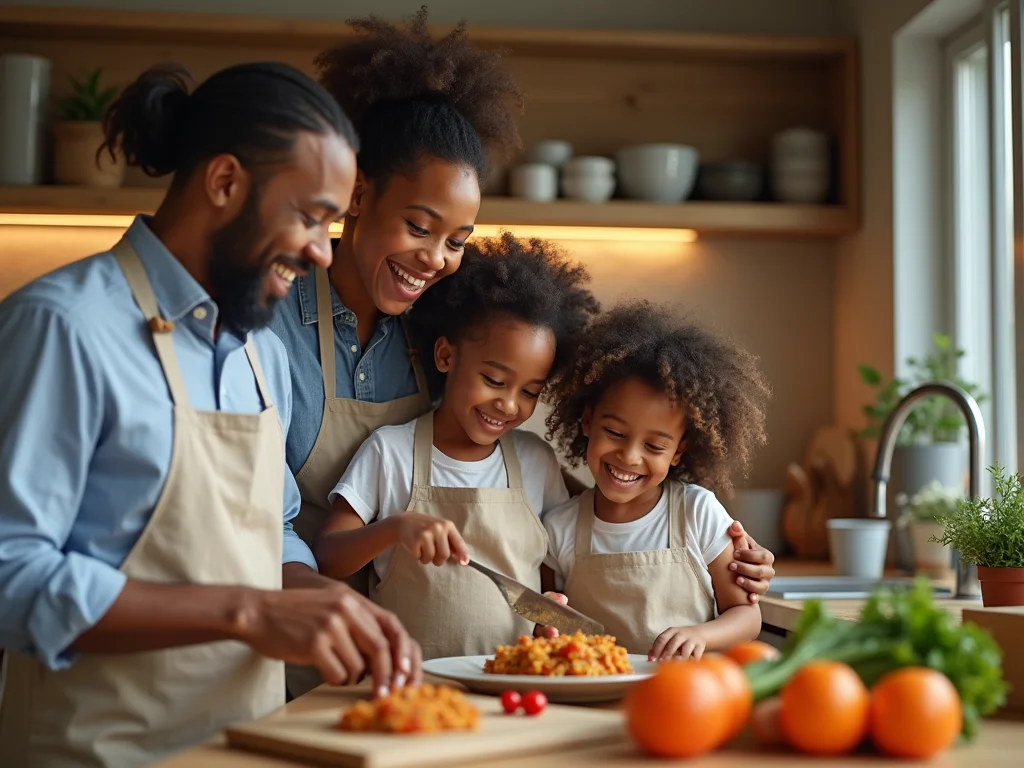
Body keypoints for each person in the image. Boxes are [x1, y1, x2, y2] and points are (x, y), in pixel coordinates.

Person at [271, 8, 775, 692]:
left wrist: (730, 554)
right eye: (420, 226)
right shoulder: (269, 327)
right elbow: (264, 528)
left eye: (457, 239)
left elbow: (594, 512)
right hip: (306, 651)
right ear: (357, 193)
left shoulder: (440, 326)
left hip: (450, 678)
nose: (437, 259)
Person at [0, 62, 419, 768]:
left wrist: (328, 602)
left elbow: (271, 534)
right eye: (311, 216)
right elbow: (12, 574)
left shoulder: (262, 352)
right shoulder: (63, 327)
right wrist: (250, 612)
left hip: (243, 746)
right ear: (224, 183)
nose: (323, 249)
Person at [314, 234, 599, 659]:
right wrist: (395, 528)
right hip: (413, 686)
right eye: (494, 381)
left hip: (510, 683)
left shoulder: (535, 461)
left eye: (529, 391)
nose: (508, 404)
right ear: (446, 357)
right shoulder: (391, 452)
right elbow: (327, 557)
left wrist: (548, 611)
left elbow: (548, 563)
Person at [541, 301, 772, 660]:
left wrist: (701, 635)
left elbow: (747, 615)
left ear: (678, 452)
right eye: (615, 432)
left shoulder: (698, 512)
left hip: (686, 696)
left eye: (653, 445)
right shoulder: (559, 528)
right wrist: (544, 621)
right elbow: (544, 624)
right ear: (587, 422)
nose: (630, 457)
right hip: (593, 700)